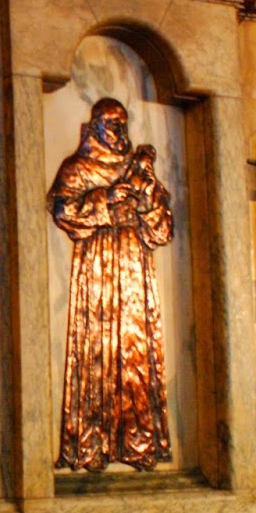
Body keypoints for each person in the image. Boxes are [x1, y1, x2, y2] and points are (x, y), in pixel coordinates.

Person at [48, 98, 174, 472]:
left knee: (136, 354)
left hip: (134, 269)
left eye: (123, 123)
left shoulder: (137, 169)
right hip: (97, 268)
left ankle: (138, 442)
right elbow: (64, 210)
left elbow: (163, 230)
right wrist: (107, 197)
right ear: (95, 127)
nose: (119, 131)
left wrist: (147, 194)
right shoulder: (77, 168)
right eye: (111, 124)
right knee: (96, 353)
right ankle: (92, 445)